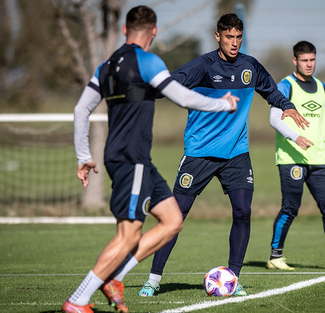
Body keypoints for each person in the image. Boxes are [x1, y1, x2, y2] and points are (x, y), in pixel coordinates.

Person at [62, 5, 239, 313]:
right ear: (154, 32)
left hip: (134, 160)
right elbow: (182, 96)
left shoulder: (106, 66)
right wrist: (222, 104)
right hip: (131, 160)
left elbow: (81, 110)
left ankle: (114, 277)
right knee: (128, 234)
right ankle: (78, 299)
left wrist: (83, 156)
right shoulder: (148, 61)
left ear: (123, 30)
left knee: (172, 221)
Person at [136, 13, 309, 297]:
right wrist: (144, 93)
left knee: (242, 213)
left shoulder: (250, 66)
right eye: (229, 37)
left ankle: (234, 278)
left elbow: (271, 90)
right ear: (217, 36)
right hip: (199, 153)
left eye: (239, 38)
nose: (234, 43)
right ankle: (153, 280)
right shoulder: (202, 66)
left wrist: (287, 105)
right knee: (175, 218)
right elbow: (169, 85)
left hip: (236, 154)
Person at [265, 41, 325, 271]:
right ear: (294, 60)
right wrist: (295, 137)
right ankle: (275, 257)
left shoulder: (321, 87)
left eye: (312, 60)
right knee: (290, 208)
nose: (309, 64)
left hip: (320, 160)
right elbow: (274, 118)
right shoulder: (285, 86)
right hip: (292, 159)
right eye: (305, 60)